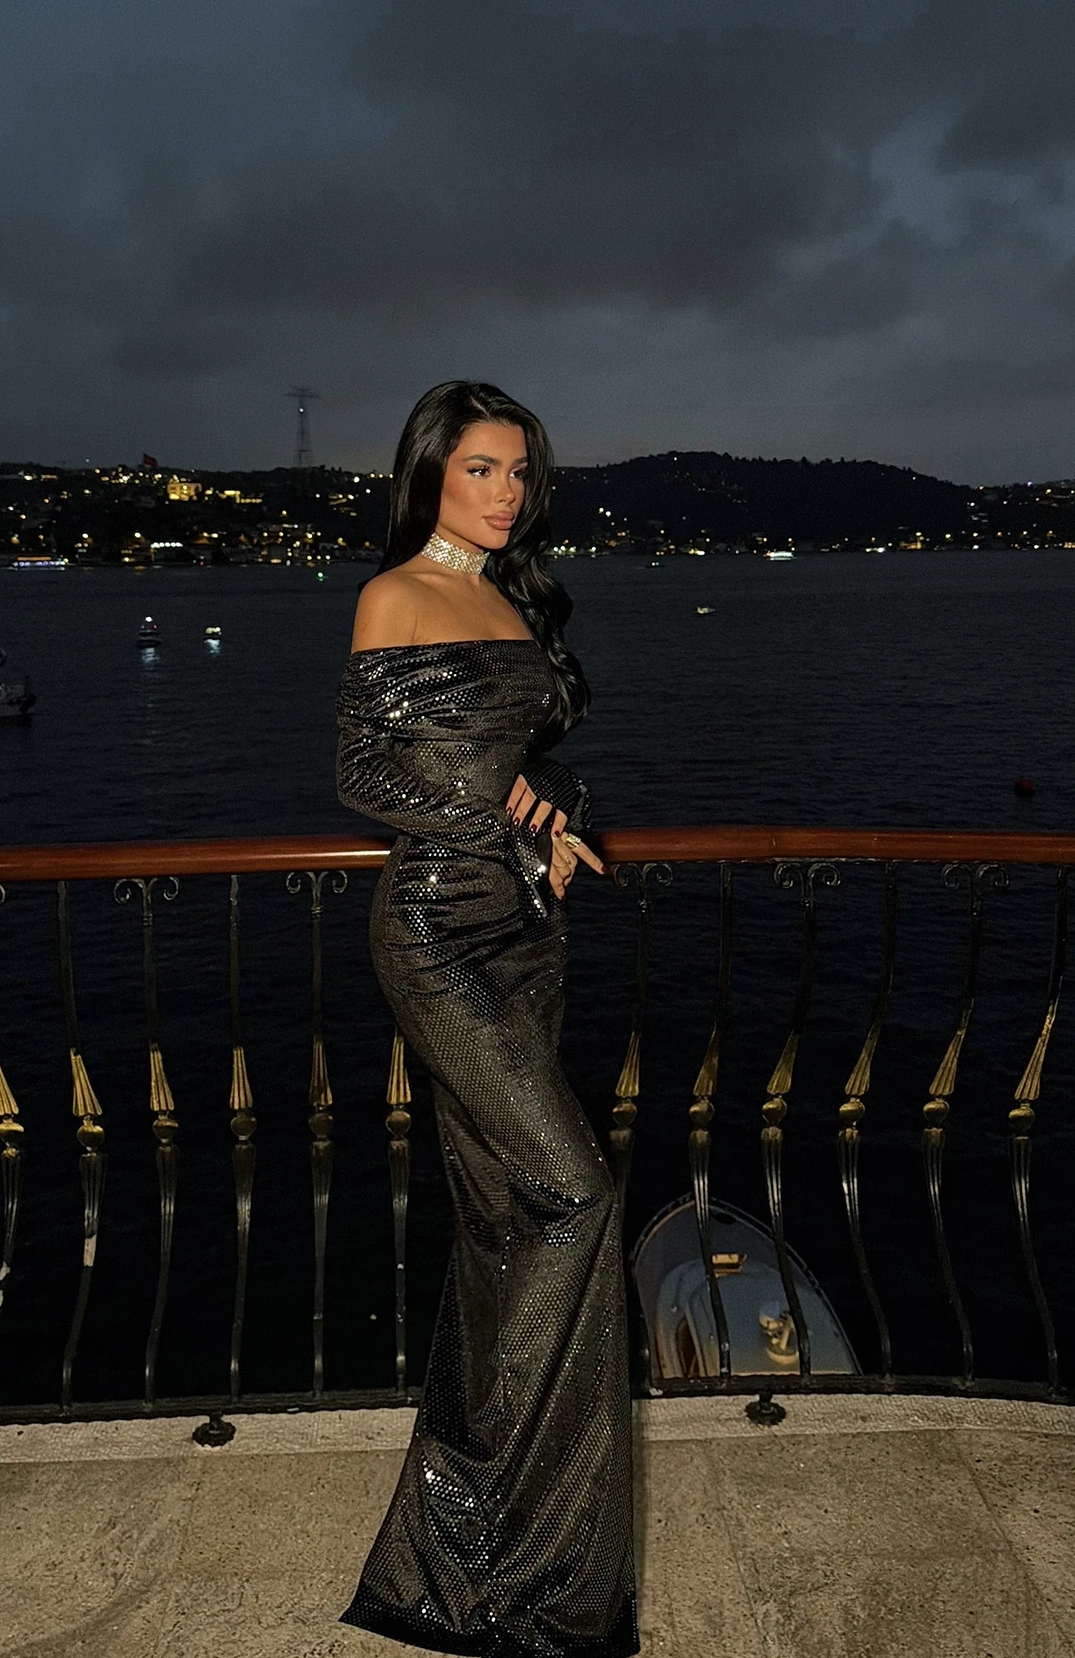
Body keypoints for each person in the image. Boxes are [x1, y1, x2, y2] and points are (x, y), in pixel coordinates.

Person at [335, 380, 640, 1658]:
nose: (506, 493)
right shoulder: (396, 593)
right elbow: (366, 773)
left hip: (528, 937)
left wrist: (547, 798)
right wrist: (511, 829)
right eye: (480, 469)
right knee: (577, 1197)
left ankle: (466, 1551)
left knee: (507, 1216)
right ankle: (526, 1529)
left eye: (519, 472)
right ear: (430, 473)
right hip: (439, 937)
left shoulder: (514, 596)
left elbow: (505, 755)